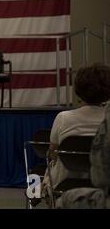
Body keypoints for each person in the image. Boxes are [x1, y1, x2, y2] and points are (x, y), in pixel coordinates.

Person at [42, 63, 110, 203]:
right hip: (103, 186)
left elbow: (52, 154)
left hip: (64, 184)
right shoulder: (107, 120)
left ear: (78, 89)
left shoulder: (63, 118)